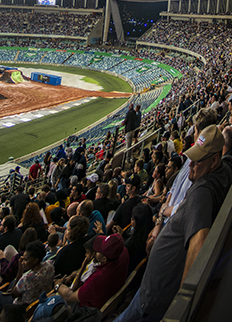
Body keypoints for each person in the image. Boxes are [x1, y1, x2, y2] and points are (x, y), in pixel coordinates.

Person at [114, 125, 232, 322]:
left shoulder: (202, 192)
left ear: (214, 160)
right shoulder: (225, 167)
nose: (191, 165)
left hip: (155, 299)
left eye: (198, 160)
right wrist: (219, 131)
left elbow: (199, 244)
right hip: (154, 291)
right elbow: (228, 141)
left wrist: (181, 305)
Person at [57, 233, 128, 310]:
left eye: (97, 251)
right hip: (109, 292)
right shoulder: (124, 252)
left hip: (87, 309)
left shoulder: (97, 279)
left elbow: (69, 297)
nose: (95, 253)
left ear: (104, 259)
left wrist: (57, 285)